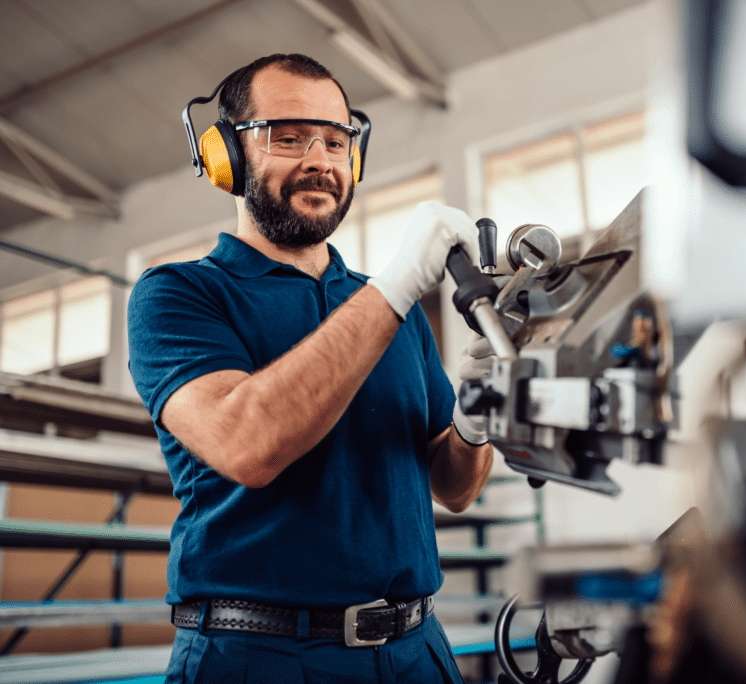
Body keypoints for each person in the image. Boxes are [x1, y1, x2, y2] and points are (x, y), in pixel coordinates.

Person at [127, 53, 493, 684]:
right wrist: (401, 283)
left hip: (417, 650)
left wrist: (481, 415)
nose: (320, 159)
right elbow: (248, 443)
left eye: (336, 139)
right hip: (257, 657)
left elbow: (456, 488)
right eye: (287, 137)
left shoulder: (394, 313)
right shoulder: (178, 295)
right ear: (225, 156)